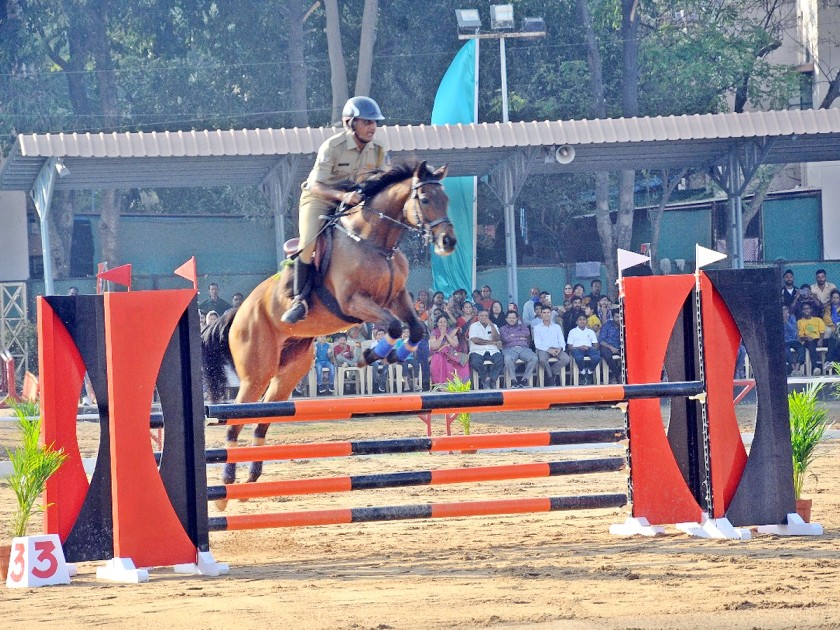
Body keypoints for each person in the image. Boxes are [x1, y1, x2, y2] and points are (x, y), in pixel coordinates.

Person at [281, 96, 390, 324]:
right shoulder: (332, 146)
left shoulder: (379, 150)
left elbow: (385, 180)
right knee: (308, 243)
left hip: (356, 202)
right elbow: (315, 185)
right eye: (367, 122)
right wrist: (343, 196)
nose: (373, 127)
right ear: (350, 123)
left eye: (374, 123)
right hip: (320, 199)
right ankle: (299, 300)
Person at [499, 310, 538, 388]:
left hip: (524, 348)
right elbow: (506, 339)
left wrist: (512, 336)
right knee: (507, 359)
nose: (512, 319)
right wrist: (520, 337)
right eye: (509, 318)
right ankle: (514, 381)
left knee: (534, 358)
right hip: (509, 349)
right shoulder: (503, 328)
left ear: (517, 319)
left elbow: (527, 334)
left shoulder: (523, 327)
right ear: (506, 319)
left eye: (513, 318)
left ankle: (524, 379)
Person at [532, 308, 571, 386]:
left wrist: (560, 348)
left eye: (548, 312)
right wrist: (548, 350)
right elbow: (537, 344)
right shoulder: (537, 328)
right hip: (543, 349)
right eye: (544, 312)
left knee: (566, 359)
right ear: (541, 314)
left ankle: (550, 372)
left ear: (551, 314)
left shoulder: (556, 327)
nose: (546, 314)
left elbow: (561, 340)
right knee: (542, 359)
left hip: (557, 349)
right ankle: (550, 378)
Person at [468, 309, 505, 389]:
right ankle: (485, 378)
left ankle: (492, 380)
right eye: (482, 316)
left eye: (486, 316)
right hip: (477, 351)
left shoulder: (494, 326)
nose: (484, 317)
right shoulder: (473, 326)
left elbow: (497, 339)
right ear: (478, 317)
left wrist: (491, 325)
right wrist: (492, 342)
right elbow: (475, 340)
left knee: (501, 360)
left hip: (492, 350)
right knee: (475, 361)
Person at [429, 314, 469, 385]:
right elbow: (434, 347)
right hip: (438, 353)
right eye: (440, 322)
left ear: (447, 323)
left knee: (463, 360)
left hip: (451, 353)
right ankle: (442, 384)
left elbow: (455, 344)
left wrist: (446, 335)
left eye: (444, 322)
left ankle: (461, 384)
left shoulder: (451, 331)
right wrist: (441, 336)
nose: (443, 324)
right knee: (441, 359)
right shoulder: (434, 332)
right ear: (437, 323)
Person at [567, 314, 601, 385]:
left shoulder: (590, 331)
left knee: (597, 357)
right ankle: (582, 373)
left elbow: (596, 346)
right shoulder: (572, 331)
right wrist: (580, 347)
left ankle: (589, 372)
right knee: (579, 358)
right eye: (580, 319)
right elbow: (569, 347)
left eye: (584, 319)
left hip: (589, 348)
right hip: (577, 349)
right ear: (577, 322)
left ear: (586, 321)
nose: (582, 321)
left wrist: (589, 347)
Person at [796, 303, 826, 376]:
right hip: (808, 340)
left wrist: (820, 340)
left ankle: (828, 361)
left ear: (811, 310)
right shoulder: (800, 322)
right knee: (811, 344)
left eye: (808, 308)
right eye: (804, 309)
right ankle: (815, 368)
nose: (806, 310)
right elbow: (801, 336)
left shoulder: (818, 320)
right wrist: (807, 338)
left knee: (832, 340)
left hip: (819, 339)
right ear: (802, 311)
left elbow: (822, 331)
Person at [598, 308, 622, 383]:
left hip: (620, 347)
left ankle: (615, 376)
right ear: (612, 317)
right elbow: (601, 340)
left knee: (630, 355)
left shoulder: (624, 325)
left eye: (620, 317)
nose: (619, 319)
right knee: (606, 354)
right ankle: (618, 375)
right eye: (617, 317)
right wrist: (611, 347)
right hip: (607, 347)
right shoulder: (607, 325)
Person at [783, 305, 800, 375]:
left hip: (793, 340)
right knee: (786, 349)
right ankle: (793, 368)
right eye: (783, 311)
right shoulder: (777, 319)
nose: (784, 312)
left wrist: (786, 322)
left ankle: (797, 368)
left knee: (802, 348)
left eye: (786, 310)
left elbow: (793, 331)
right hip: (784, 341)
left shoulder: (792, 318)